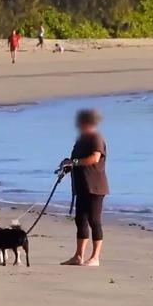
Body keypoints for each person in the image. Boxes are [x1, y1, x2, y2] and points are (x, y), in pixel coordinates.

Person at [60, 109, 109, 267]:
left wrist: (73, 163)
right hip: (81, 186)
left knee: (94, 220)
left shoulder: (96, 138)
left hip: (95, 186)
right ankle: (78, 256)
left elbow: (94, 159)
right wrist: (68, 165)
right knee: (80, 220)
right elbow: (76, 160)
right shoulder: (80, 140)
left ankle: (95, 257)